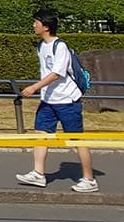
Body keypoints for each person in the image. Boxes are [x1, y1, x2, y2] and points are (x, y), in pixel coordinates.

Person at [17, 10, 98, 193]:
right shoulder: (41, 46)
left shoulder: (60, 46)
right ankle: (38, 173)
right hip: (48, 101)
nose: (33, 25)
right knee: (41, 133)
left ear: (46, 26)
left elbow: (56, 73)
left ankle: (89, 179)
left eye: (36, 22)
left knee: (76, 139)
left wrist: (34, 87)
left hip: (67, 100)